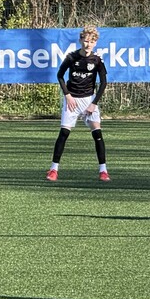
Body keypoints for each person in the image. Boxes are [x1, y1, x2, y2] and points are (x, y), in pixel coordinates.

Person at [46, 25, 109, 182]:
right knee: (64, 133)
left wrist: (94, 103)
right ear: (81, 40)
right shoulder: (72, 57)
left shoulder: (97, 60)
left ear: (95, 43)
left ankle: (103, 171)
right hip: (72, 100)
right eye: (86, 41)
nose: (88, 44)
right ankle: (53, 169)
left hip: (89, 100)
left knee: (97, 134)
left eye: (91, 41)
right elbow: (60, 75)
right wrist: (67, 95)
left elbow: (103, 83)